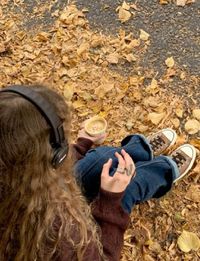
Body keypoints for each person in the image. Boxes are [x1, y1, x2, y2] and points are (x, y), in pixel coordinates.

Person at [0, 84, 196, 261]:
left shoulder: (13, 173)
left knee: (99, 159)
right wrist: (111, 199)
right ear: (54, 156)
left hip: (46, 189)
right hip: (56, 215)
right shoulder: (61, 237)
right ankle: (165, 171)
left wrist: (82, 144)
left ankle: (142, 149)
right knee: (128, 188)